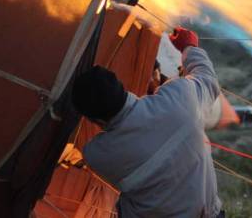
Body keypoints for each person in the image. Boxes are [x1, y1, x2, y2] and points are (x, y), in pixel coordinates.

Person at [72, 27, 223, 217]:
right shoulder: (180, 97)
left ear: (94, 119)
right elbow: (208, 79)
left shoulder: (97, 155)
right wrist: (189, 47)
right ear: (121, 86)